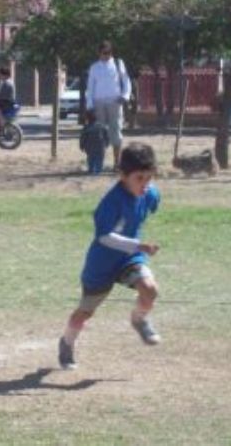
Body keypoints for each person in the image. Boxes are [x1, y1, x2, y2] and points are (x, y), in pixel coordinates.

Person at [58, 143, 162, 370]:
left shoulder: (150, 194)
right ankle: (67, 342)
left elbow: (150, 204)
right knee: (83, 314)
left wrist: (137, 248)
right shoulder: (111, 202)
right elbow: (104, 237)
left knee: (150, 289)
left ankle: (139, 319)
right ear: (122, 175)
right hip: (101, 264)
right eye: (139, 178)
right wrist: (139, 245)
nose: (145, 185)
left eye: (149, 178)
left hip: (128, 259)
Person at [86, 41, 131, 170]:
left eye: (109, 53)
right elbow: (90, 87)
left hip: (114, 102)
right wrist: (90, 105)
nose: (106, 56)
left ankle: (117, 163)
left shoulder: (118, 64)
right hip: (98, 103)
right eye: (104, 53)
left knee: (115, 132)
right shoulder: (94, 67)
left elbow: (125, 80)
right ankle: (98, 163)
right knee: (99, 134)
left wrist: (125, 95)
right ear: (99, 53)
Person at [79, 110, 110, 175]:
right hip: (101, 146)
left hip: (89, 146)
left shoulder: (86, 127)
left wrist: (81, 145)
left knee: (91, 158)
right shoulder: (102, 126)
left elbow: (83, 137)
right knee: (100, 158)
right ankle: (98, 169)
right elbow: (106, 136)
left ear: (87, 118)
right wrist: (107, 143)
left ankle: (91, 169)